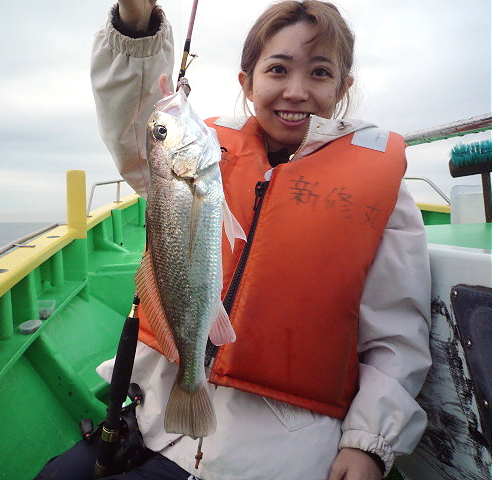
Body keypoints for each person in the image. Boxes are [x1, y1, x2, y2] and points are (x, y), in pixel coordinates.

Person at [34, 1, 431, 479]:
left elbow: (397, 333)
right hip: (154, 417)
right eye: (277, 69)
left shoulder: (378, 191)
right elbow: (137, 132)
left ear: (343, 87)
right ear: (246, 82)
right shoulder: (202, 153)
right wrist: (135, 25)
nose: (296, 91)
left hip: (276, 451)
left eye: (320, 72)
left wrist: (369, 443)